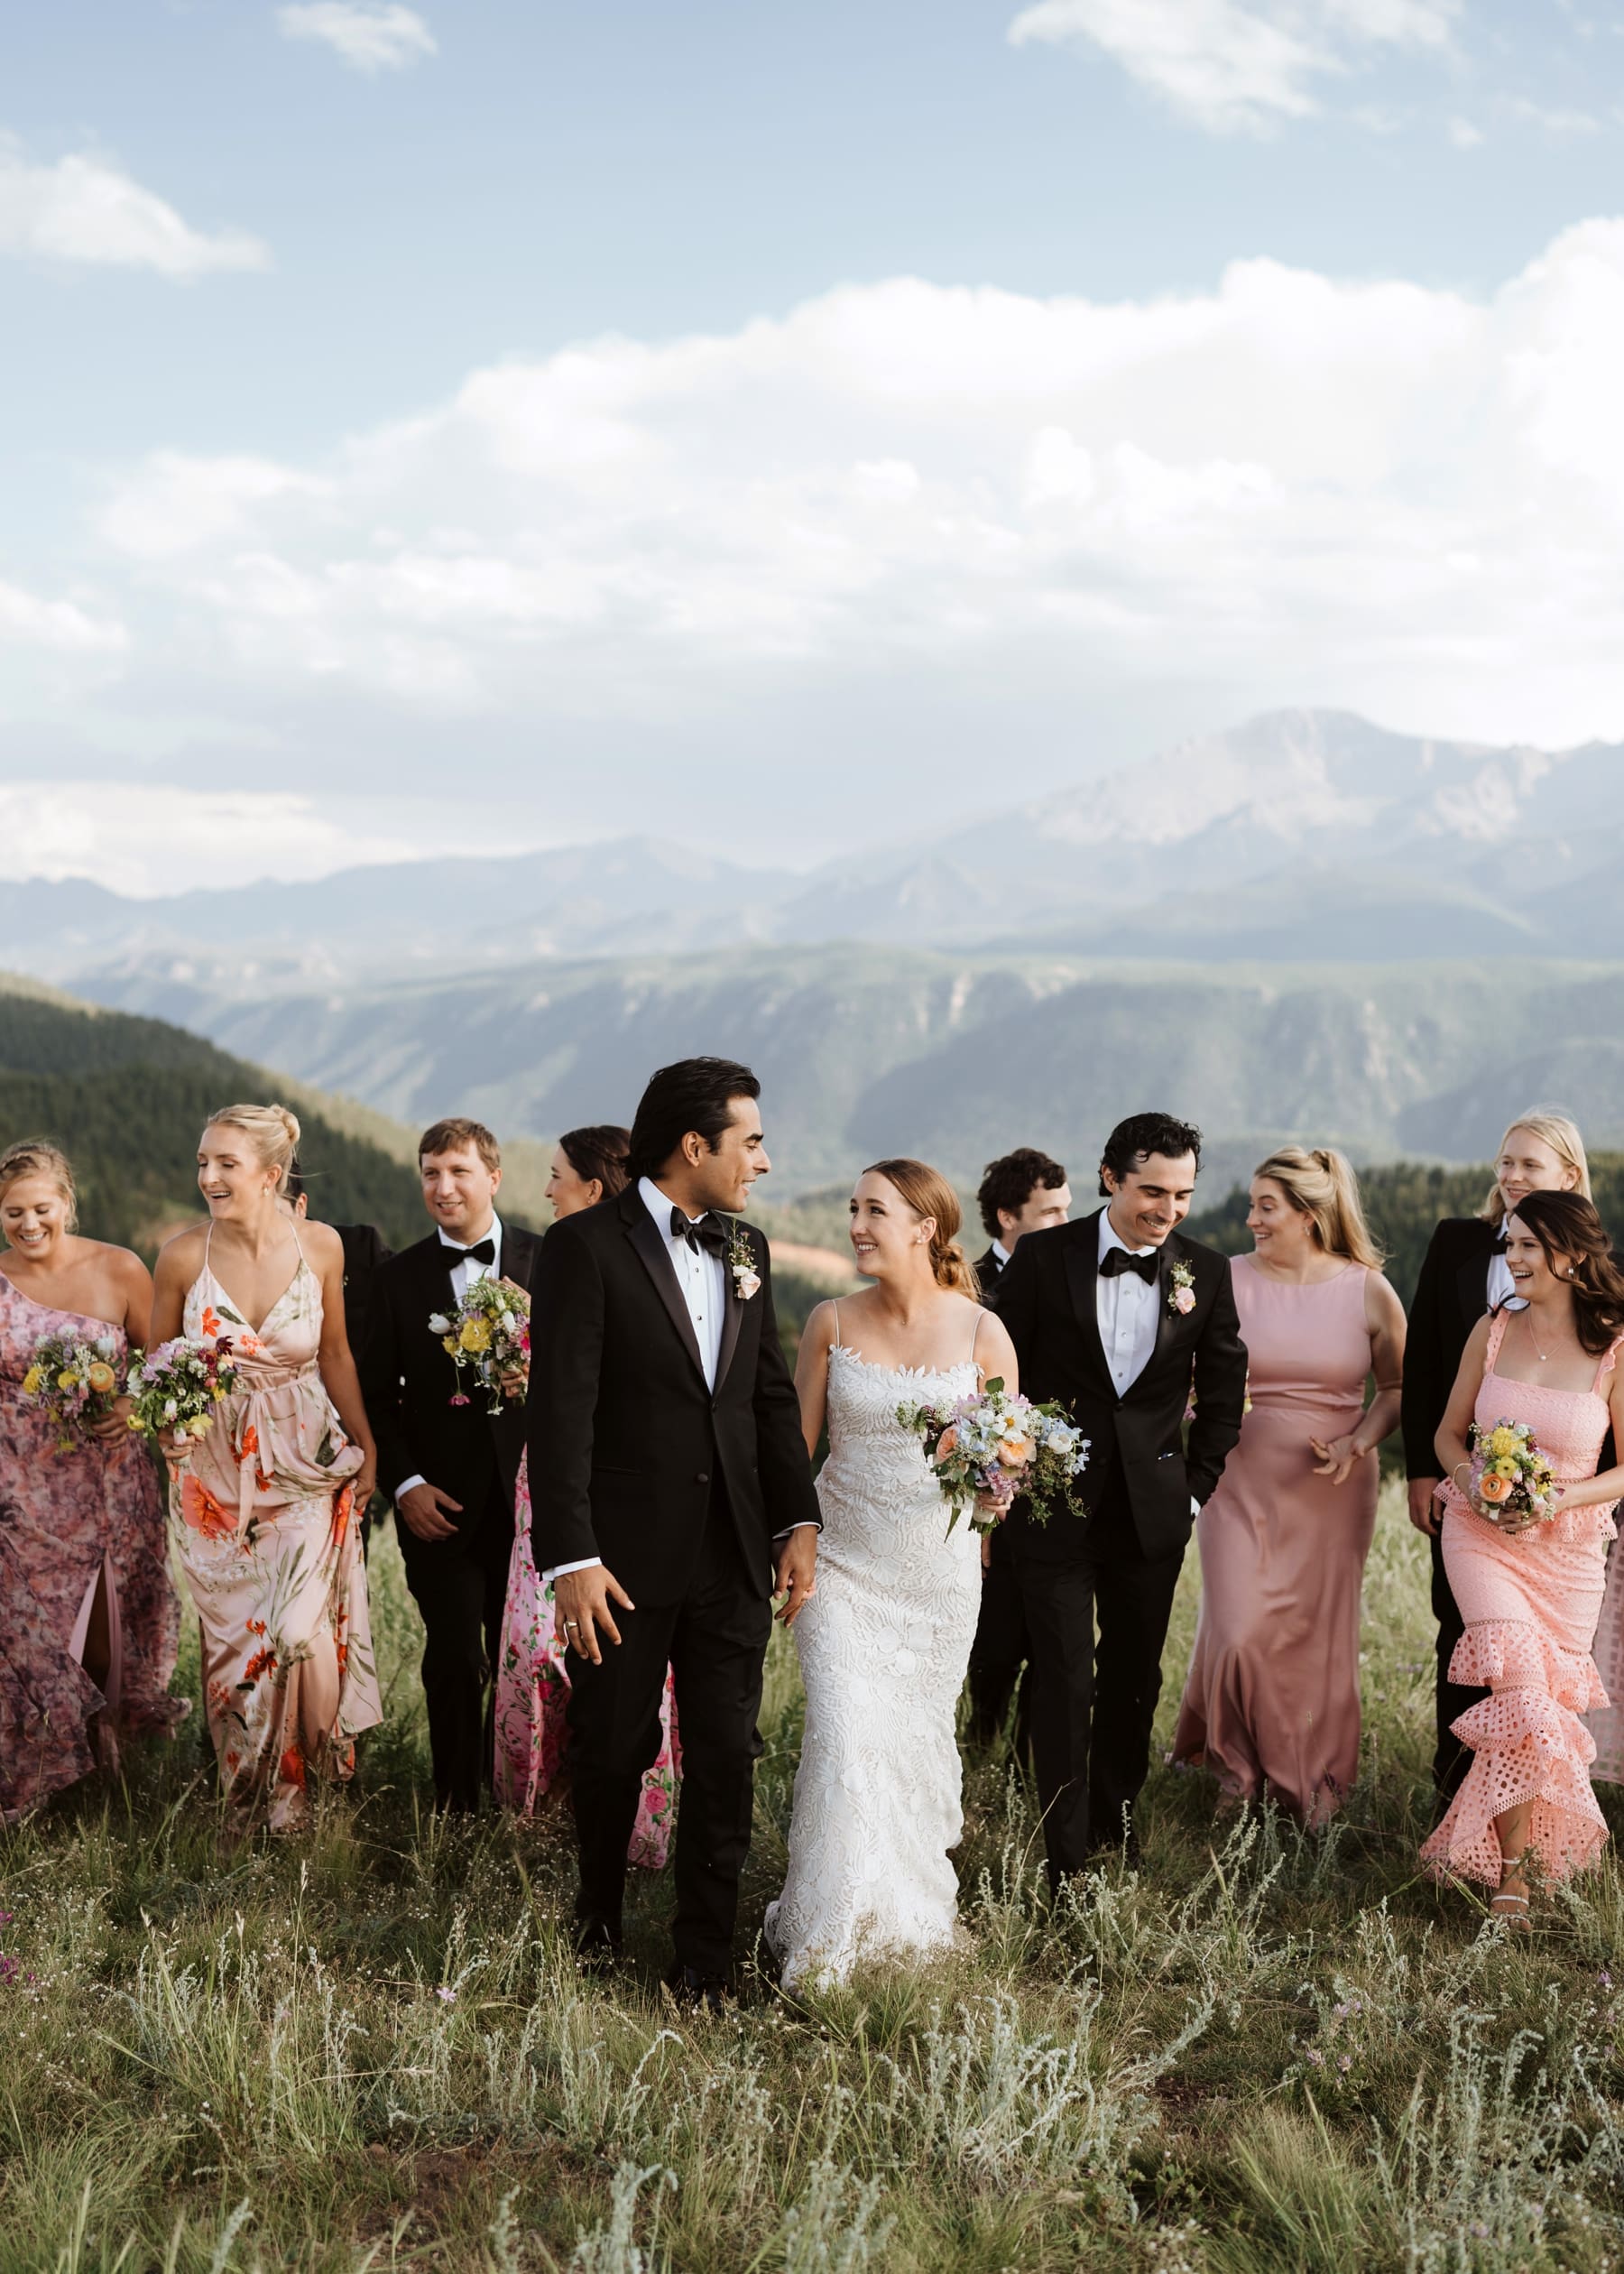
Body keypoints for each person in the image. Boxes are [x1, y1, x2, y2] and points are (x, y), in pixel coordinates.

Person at [527, 1058, 820, 2009]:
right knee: (611, 1750)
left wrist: (797, 1518)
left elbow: (767, 1398)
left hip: (732, 1552)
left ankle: (705, 1959)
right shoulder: (584, 1248)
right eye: (753, 1143)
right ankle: (599, 1921)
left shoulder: (748, 1248)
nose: (763, 1164)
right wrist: (572, 1557)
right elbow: (560, 1411)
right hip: (618, 1561)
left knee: (727, 1756)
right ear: (696, 1147)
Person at [766, 1160, 1019, 1988]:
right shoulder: (830, 1322)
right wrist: (789, 1532)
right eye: (852, 1209)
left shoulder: (984, 1334)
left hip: (938, 1584)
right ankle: (828, 1929)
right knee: (843, 1739)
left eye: (876, 1211)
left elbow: (1009, 1458)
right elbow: (792, 1453)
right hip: (840, 1568)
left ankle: (902, 1916)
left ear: (926, 1228)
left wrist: (997, 1491)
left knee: (908, 1751)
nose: (857, 1225)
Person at [995, 1110, 1248, 1883]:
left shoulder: (1205, 1271)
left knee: (1136, 1678)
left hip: (1154, 1514)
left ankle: (1117, 1825)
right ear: (1110, 1179)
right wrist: (1010, 1474)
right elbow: (998, 1377)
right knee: (1066, 1679)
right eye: (1152, 1191)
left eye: (1182, 1195)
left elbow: (1227, 1389)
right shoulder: (1041, 1259)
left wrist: (1197, 1492)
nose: (1168, 1211)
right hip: (1053, 1511)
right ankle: (1063, 1855)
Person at [152, 1105, 380, 1830]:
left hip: (304, 1459)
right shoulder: (182, 1255)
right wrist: (168, 1429)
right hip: (214, 1476)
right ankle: (244, 1803)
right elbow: (160, 1366)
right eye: (202, 1162)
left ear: (271, 1174)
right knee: (237, 1649)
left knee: (298, 1635)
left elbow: (336, 1353)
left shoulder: (322, 1247)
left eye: (225, 1163)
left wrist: (368, 1446)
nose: (208, 1177)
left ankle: (302, 1800)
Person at [1171, 1147, 1406, 1824]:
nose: (1250, 1220)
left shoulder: (1367, 1289)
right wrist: (1200, 1404)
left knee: (1316, 1638)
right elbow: (1181, 1380)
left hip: (1332, 1489)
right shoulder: (1224, 1280)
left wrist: (1359, 1440)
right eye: (1250, 1205)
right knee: (1238, 1628)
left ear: (1309, 1214)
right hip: (1236, 1480)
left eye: (1265, 1207)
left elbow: (1393, 1388)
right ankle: (1235, 1771)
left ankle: (1317, 1781)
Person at [1422, 1189, 1624, 1920]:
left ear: (1571, 1254)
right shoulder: (1493, 1330)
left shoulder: (1614, 1346)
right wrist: (1474, 1487)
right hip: (1481, 1540)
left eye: (1528, 1247)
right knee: (1523, 1698)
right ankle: (1513, 1872)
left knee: (1548, 1705)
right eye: (1509, 1246)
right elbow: (1448, 1435)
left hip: (1569, 1551)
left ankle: (1531, 1856)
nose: (1513, 1259)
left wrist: (1558, 1499)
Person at [496, 1126, 684, 1869]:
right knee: (530, 1651)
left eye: (557, 1177)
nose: (547, 1190)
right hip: (540, 1492)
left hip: (616, 1494)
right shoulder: (552, 1276)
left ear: (595, 1190)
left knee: (611, 1655)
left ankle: (627, 1822)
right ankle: (538, 1808)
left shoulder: (626, 1278)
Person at [1401, 1112, 1591, 1810]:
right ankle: (1453, 1788)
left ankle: (1537, 1807)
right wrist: (1428, 1471)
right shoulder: (1455, 1242)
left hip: (1562, 1511)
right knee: (1459, 1633)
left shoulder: (1603, 1278)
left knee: (1542, 1664)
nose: (1510, 1177)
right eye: (1504, 1163)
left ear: (1569, 1177)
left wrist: (1570, 1497)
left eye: (1529, 1166)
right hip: (1461, 1492)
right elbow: (1422, 1357)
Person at [0, 1141, 185, 1820]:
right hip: (20, 1492)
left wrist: (135, 1403)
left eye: (41, 1208)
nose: (28, 1223)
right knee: (33, 1633)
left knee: (110, 1632)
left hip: (113, 1484)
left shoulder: (122, 1268)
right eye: (12, 1212)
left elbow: (164, 1360)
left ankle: (110, 1775)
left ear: (66, 1204)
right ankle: (44, 1774)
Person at [363, 1117, 542, 1812]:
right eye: (431, 1174)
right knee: (454, 1660)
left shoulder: (548, 1261)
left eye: (459, 1172)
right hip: (439, 1505)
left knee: (521, 1660)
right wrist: (404, 1485)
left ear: (494, 1178)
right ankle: (455, 1808)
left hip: (532, 1505)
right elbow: (375, 1398)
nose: (444, 1187)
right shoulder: (397, 1279)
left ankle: (522, 1797)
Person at [965, 1147, 1071, 1758]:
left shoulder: (1077, 1276)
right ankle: (982, 1737)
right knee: (996, 1631)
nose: (1064, 1223)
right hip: (990, 1482)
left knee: (1051, 1633)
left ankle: (1029, 1758)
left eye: (1067, 1209)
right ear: (1008, 1216)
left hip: (1056, 1478)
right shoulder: (970, 1285)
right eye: (1049, 1211)